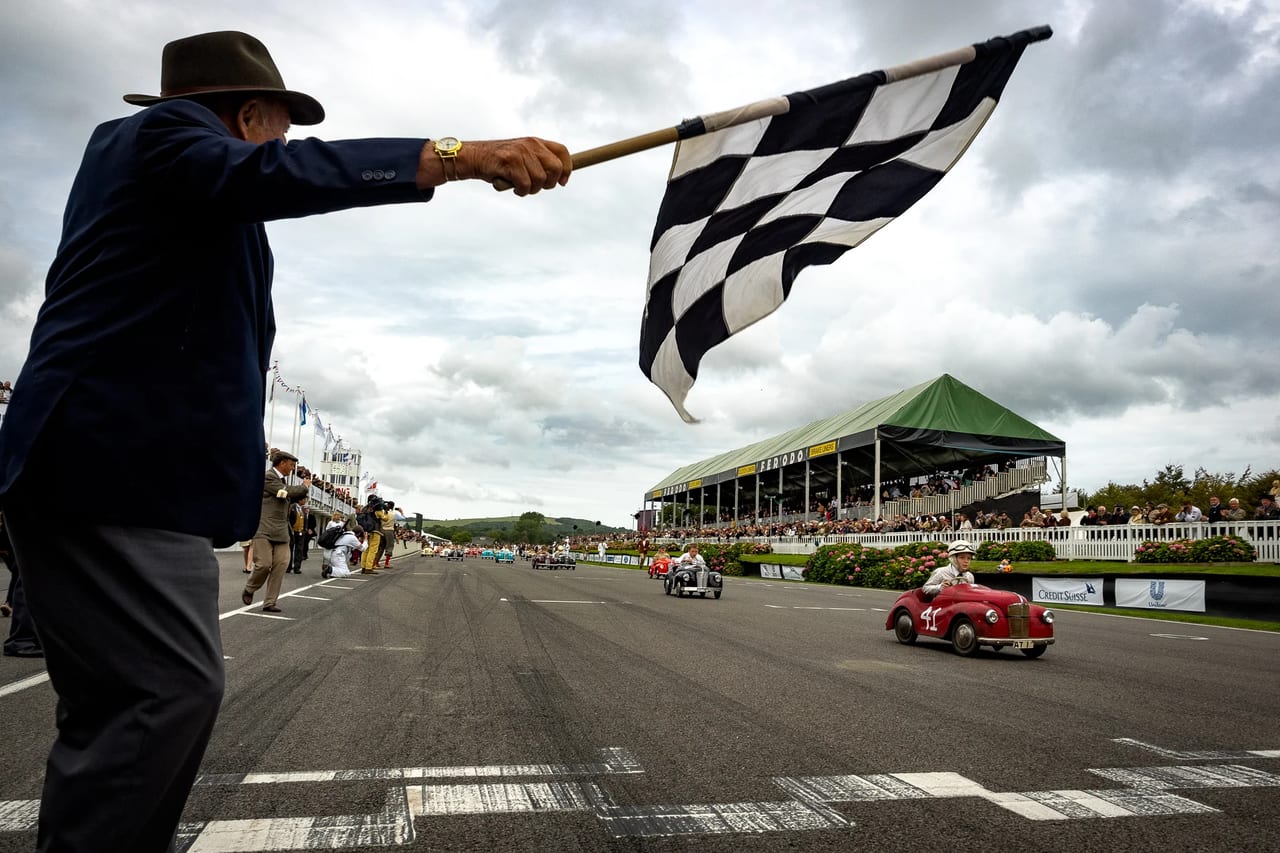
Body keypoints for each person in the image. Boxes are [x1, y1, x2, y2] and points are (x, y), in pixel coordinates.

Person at [0, 30, 570, 853]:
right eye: (282, 128)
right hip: (109, 467)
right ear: (252, 113)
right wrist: (460, 154)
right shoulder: (159, 139)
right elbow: (275, 173)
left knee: (125, 708)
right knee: (167, 691)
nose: (286, 144)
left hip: (111, 469)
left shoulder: (169, 185)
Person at [244, 451, 310, 612]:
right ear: (282, 463)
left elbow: (289, 496)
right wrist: (304, 486)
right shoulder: (269, 477)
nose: (292, 468)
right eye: (291, 464)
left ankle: (270, 602)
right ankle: (250, 588)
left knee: (281, 565)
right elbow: (285, 492)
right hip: (264, 528)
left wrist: (301, 492)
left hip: (281, 530)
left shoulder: (282, 481)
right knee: (264, 565)